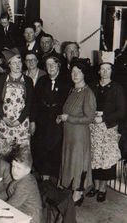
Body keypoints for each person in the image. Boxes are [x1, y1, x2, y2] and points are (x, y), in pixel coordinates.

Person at [58, 59, 96, 206]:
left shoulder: (88, 93)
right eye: (73, 72)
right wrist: (62, 118)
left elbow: (89, 118)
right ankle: (72, 188)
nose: (75, 75)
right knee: (70, 162)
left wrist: (70, 118)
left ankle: (78, 193)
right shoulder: (72, 90)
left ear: (84, 74)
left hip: (79, 135)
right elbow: (69, 109)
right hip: (69, 134)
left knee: (78, 163)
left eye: (78, 72)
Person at [87, 59, 125, 202]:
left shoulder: (117, 88)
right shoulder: (92, 87)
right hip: (92, 127)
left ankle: (103, 188)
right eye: (102, 69)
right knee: (94, 157)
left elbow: (121, 111)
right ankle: (96, 186)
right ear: (98, 71)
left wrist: (103, 119)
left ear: (111, 71)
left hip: (108, 128)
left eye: (107, 69)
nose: (104, 72)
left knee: (105, 159)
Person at [32, 55, 71, 179]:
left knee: (56, 148)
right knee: (42, 148)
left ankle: (57, 180)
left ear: (58, 65)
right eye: (48, 65)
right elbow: (35, 102)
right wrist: (33, 120)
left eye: (53, 64)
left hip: (58, 120)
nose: (51, 67)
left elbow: (69, 102)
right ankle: (45, 178)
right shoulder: (42, 81)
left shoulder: (66, 81)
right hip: (43, 119)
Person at [0, 48, 35, 148]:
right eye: (14, 63)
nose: (17, 65)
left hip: (21, 122)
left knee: (22, 154)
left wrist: (19, 120)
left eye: (19, 62)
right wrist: (3, 117)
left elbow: (30, 103)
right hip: (5, 121)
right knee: (5, 152)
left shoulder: (28, 80)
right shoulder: (2, 79)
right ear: (9, 65)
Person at [7, 146, 43, 223]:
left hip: (29, 218)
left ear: (28, 169)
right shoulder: (21, 177)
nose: (14, 170)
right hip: (20, 211)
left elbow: (12, 204)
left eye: (18, 168)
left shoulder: (25, 184)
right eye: (13, 166)